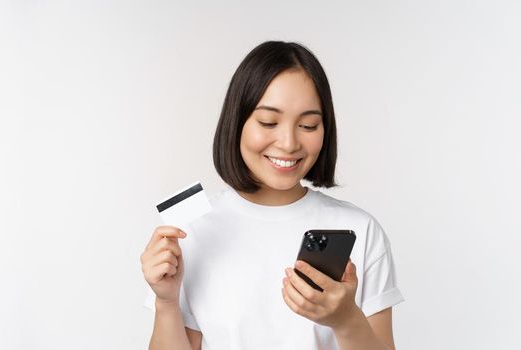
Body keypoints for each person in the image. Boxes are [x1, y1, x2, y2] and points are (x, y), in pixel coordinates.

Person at [140, 41, 404, 350]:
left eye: (308, 125)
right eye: (268, 122)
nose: (289, 142)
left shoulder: (361, 230)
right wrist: (166, 301)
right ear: (237, 122)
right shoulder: (193, 228)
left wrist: (346, 320)